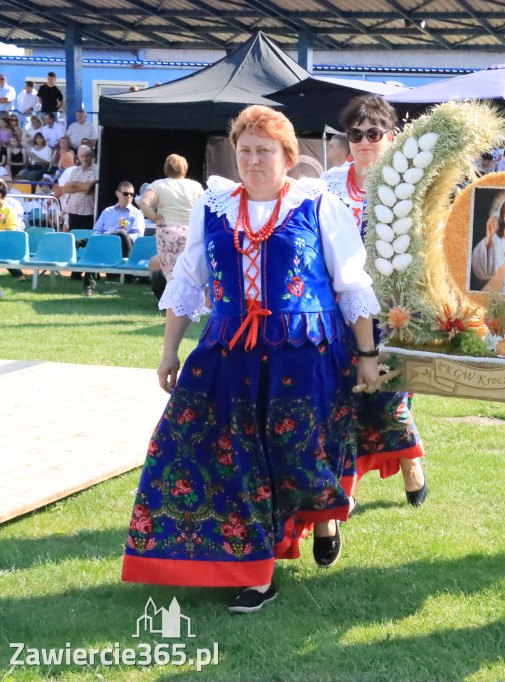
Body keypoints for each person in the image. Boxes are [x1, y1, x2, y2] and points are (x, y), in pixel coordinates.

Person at [122, 104, 382, 612]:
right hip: (229, 350)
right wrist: (169, 350)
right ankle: (255, 570)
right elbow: (188, 281)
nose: (253, 159)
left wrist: (368, 354)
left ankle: (323, 515)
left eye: (264, 150)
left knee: (300, 455)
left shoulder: (318, 206)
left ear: (287, 156)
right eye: (245, 150)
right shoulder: (213, 207)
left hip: (304, 351)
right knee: (215, 451)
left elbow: (353, 285)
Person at [326, 94, 427, 506]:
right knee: (340, 399)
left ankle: (409, 461)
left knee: (386, 396)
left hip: (392, 309)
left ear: (391, 136)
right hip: (336, 309)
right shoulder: (327, 186)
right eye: (356, 133)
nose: (365, 141)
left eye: (374, 132)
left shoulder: (409, 186)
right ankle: (340, 491)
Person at [137, 153, 204, 300]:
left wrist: (153, 217)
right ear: (184, 169)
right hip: (191, 232)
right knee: (191, 269)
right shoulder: (195, 186)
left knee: (170, 270)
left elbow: (144, 203)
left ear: (166, 168)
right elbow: (205, 208)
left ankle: (170, 302)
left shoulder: (158, 185)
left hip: (168, 231)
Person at [79, 181, 145, 296]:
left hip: (126, 249)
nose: (129, 196)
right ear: (117, 194)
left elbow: (138, 236)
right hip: (106, 247)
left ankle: (83, 242)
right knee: (95, 248)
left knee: (121, 233)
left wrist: (116, 234)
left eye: (132, 194)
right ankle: (88, 288)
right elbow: (96, 231)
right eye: (125, 194)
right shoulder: (107, 212)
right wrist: (107, 238)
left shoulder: (137, 214)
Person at [62, 145, 98, 230]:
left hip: (88, 212)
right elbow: (66, 188)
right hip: (73, 210)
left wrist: (74, 185)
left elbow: (89, 189)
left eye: (87, 155)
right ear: (78, 157)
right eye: (82, 156)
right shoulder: (75, 170)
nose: (84, 158)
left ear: (92, 156)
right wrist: (82, 186)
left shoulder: (97, 170)